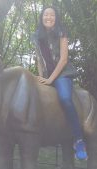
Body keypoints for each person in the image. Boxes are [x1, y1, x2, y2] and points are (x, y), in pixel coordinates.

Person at [32, 6, 88, 160]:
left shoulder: (61, 32)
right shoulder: (36, 36)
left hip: (63, 74)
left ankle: (79, 140)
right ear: (41, 17)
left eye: (51, 15)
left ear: (55, 18)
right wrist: (41, 78)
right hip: (47, 75)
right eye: (46, 15)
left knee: (65, 99)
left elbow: (64, 59)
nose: (48, 17)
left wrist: (51, 79)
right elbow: (39, 59)